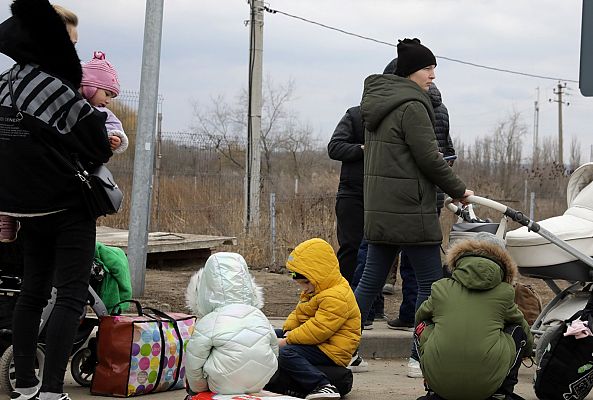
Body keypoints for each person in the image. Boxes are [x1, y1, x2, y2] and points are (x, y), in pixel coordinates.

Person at [0, 1, 113, 399]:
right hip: (66, 205)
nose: (74, 51)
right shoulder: (53, 87)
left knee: (31, 294)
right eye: (71, 41)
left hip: (24, 208)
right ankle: (52, 390)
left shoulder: (5, 83)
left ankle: (27, 385)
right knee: (70, 295)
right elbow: (97, 146)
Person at [355, 37, 473, 379]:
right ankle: (419, 358)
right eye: (428, 68)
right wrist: (458, 189)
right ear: (410, 72)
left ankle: (341, 349)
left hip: (381, 208)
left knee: (368, 283)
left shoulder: (378, 105)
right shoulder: (413, 106)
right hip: (410, 208)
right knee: (431, 284)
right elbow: (429, 158)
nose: (433, 76)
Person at [380, 58, 457, 333]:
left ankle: (411, 331)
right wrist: (446, 183)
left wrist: (454, 187)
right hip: (429, 196)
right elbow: (447, 151)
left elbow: (426, 157)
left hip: (405, 199)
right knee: (423, 270)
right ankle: (417, 326)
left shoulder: (405, 108)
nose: (433, 76)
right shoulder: (440, 109)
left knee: (381, 268)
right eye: (429, 71)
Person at [415, 232, 533, 400]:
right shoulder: (505, 292)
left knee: (423, 326)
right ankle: (501, 393)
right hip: (488, 383)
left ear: (460, 258)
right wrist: (528, 350)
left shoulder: (440, 288)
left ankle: (432, 388)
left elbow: (420, 317)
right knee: (516, 330)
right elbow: (523, 327)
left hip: (442, 384)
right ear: (503, 262)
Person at [184, 252, 278, 395]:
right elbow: (274, 347)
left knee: (203, 353)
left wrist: (198, 388)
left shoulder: (210, 320)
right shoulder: (259, 316)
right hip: (260, 380)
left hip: (221, 383)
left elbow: (194, 359)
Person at [279, 238, 361, 400]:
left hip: (332, 350)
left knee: (286, 352)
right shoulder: (318, 288)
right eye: (301, 283)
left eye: (306, 282)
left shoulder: (336, 296)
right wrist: (287, 331)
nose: (304, 288)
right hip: (320, 343)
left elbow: (319, 329)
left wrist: (288, 340)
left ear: (319, 274)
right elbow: (299, 314)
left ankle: (322, 385)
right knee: (272, 335)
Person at [327, 106, 364, 284]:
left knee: (376, 254)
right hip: (352, 194)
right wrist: (363, 149)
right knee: (351, 249)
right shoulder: (355, 115)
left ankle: (375, 308)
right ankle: (343, 297)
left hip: (383, 195)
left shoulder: (398, 115)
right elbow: (334, 147)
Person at [80, 51, 129, 155]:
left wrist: (115, 138)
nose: (108, 101)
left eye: (111, 97)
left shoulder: (104, 113)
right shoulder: (71, 98)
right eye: (107, 94)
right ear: (90, 87)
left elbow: (114, 125)